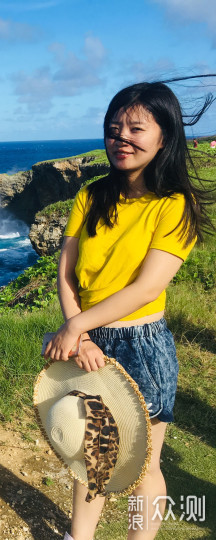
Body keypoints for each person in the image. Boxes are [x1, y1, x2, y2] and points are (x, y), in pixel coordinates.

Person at [43, 78, 214, 540]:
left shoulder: (176, 205)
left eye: (136, 128)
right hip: (89, 340)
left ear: (165, 137)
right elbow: (66, 273)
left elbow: (146, 288)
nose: (122, 138)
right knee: (90, 454)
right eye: (114, 128)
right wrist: (79, 333)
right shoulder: (91, 195)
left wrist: (76, 325)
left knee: (143, 465)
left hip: (141, 343)